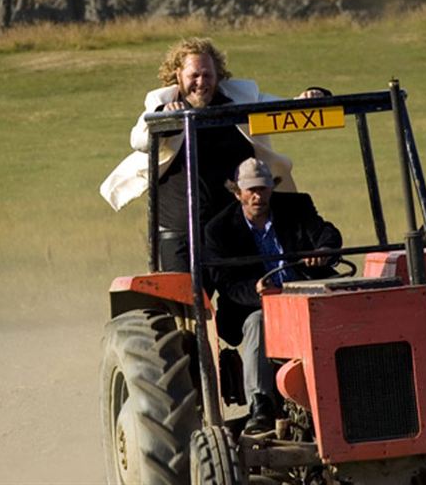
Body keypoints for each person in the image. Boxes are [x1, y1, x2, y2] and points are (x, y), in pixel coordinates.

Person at [99, 36, 328, 272]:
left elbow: (283, 111)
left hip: (232, 227)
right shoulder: (162, 104)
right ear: (178, 76)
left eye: (207, 75)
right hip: (180, 231)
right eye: (194, 76)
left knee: (246, 296)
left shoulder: (240, 100)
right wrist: (166, 118)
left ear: (217, 75)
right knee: (185, 304)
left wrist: (311, 98)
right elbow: (139, 140)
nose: (201, 82)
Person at [204, 157, 342, 433]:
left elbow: (327, 233)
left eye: (263, 189)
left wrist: (322, 251)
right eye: (251, 190)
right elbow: (227, 284)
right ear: (237, 192)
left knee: (344, 308)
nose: (257, 195)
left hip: (303, 296)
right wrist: (257, 291)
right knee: (258, 322)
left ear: (272, 189)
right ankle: (261, 404)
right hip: (258, 307)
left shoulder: (297, 207)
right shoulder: (219, 230)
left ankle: (346, 390)